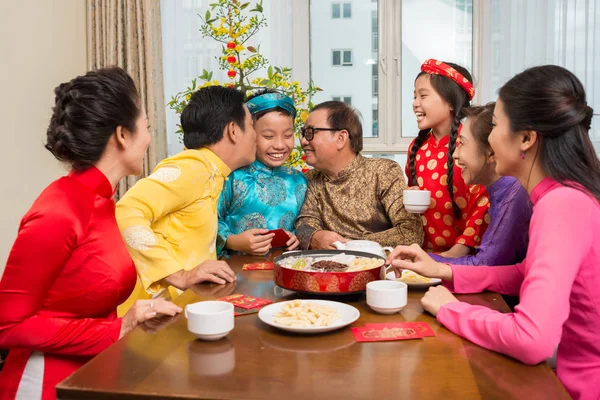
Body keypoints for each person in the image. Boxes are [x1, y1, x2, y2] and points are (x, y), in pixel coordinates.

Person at [388, 65, 600, 400]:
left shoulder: (561, 204)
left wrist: (450, 308)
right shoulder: (564, 195)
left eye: (496, 125)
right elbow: (525, 273)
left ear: (527, 139)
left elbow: (532, 339)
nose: (488, 139)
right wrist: (443, 270)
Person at [0, 67, 181, 400]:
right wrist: (119, 327)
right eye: (146, 127)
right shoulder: (59, 211)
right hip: (45, 383)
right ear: (122, 135)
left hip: (93, 372)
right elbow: (8, 325)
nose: (148, 138)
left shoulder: (101, 200)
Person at [116, 86, 255, 306]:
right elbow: (125, 211)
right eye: (251, 126)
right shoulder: (194, 168)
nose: (255, 136)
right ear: (233, 131)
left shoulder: (212, 172)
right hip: (156, 321)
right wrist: (178, 275)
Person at [295, 101, 423, 250]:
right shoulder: (311, 179)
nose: (303, 141)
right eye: (303, 134)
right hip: (328, 269)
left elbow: (411, 233)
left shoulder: (383, 172)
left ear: (341, 138)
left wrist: (350, 244)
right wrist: (314, 236)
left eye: (310, 132)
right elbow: (305, 225)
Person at [406, 59, 490, 257]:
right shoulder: (416, 148)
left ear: (451, 102)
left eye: (423, 96)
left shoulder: (472, 144)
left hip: (465, 258)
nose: (415, 103)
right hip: (424, 255)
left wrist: (454, 254)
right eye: (414, 96)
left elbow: (482, 205)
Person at [430, 103, 531, 266]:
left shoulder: (515, 196)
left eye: (462, 144)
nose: (455, 155)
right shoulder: (506, 191)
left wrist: (425, 259)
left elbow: (484, 265)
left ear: (492, 152)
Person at [217, 90, 305, 256]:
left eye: (287, 135)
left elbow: (304, 223)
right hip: (236, 271)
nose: (280, 145)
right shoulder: (232, 177)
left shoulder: (298, 181)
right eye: (268, 136)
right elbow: (210, 221)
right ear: (249, 134)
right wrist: (233, 241)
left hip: (284, 267)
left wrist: (297, 237)